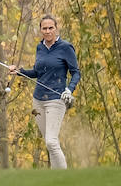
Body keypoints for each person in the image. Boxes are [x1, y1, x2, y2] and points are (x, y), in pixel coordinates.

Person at [9, 15, 81, 169]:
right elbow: (37, 72)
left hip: (57, 99)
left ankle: (64, 180)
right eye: (44, 28)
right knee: (50, 143)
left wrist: (69, 90)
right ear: (40, 30)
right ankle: (54, 179)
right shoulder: (39, 47)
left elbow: (76, 73)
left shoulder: (65, 47)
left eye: (51, 28)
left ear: (56, 28)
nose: (48, 31)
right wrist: (19, 71)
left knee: (51, 142)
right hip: (38, 101)